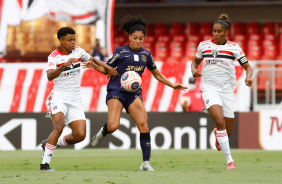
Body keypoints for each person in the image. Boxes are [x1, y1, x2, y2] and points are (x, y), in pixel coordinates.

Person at [83, 15, 187, 171]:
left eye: (141, 38)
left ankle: (145, 163)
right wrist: (94, 67)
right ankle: (103, 132)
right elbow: (107, 69)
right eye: (135, 38)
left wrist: (172, 85)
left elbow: (157, 75)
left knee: (144, 125)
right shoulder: (120, 52)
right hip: (116, 89)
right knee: (113, 126)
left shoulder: (146, 55)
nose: (138, 41)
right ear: (129, 37)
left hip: (134, 93)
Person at [40, 27, 118, 171]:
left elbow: (93, 59)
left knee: (80, 135)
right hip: (59, 96)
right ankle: (45, 165)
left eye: (74, 39)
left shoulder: (78, 51)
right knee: (59, 127)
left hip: (75, 98)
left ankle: (49, 144)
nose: (73, 42)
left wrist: (109, 69)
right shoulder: (54, 57)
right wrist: (64, 66)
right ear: (61, 40)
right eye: (69, 40)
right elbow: (49, 76)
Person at [191, 14, 253, 170]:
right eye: (214, 31)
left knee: (227, 130)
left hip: (226, 90)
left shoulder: (234, 48)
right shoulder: (204, 45)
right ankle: (230, 161)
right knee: (220, 121)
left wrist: (248, 77)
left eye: (219, 31)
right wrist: (193, 69)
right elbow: (195, 61)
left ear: (226, 33)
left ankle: (218, 133)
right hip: (209, 88)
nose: (216, 34)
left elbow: (248, 67)